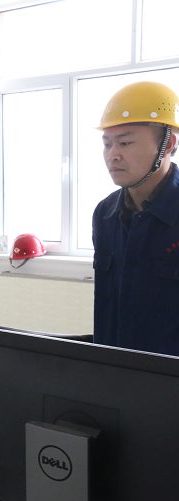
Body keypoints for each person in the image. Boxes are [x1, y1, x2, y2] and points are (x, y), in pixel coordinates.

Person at [92, 81, 179, 357]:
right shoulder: (104, 214)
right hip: (113, 372)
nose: (113, 155)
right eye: (107, 144)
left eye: (125, 143)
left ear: (168, 144)